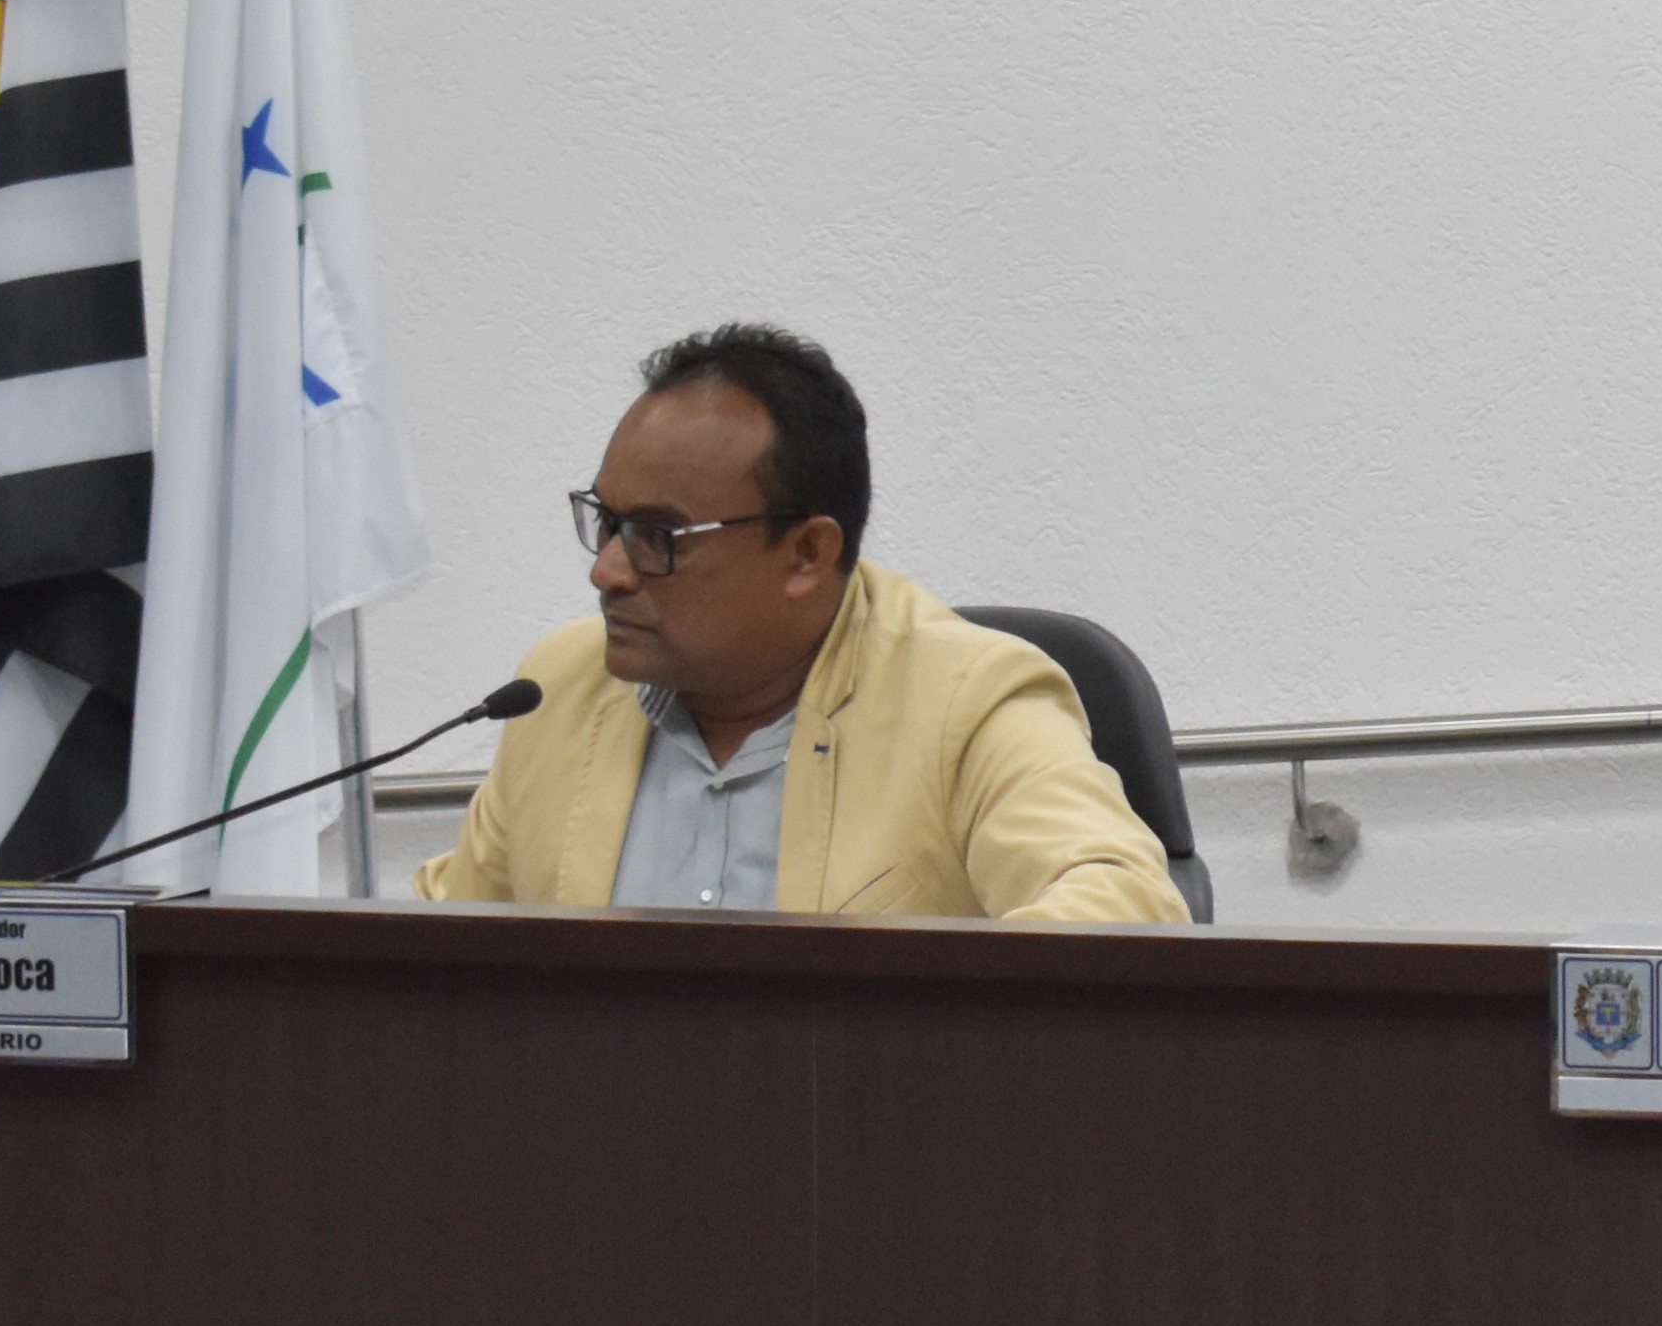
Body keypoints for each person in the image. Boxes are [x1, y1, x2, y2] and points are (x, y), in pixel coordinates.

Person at [420, 323, 1184, 926]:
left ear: (807, 554)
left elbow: (1124, 904)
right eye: (607, 522)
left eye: (658, 536)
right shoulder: (557, 690)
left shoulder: (968, 701)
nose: (608, 572)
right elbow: (447, 956)